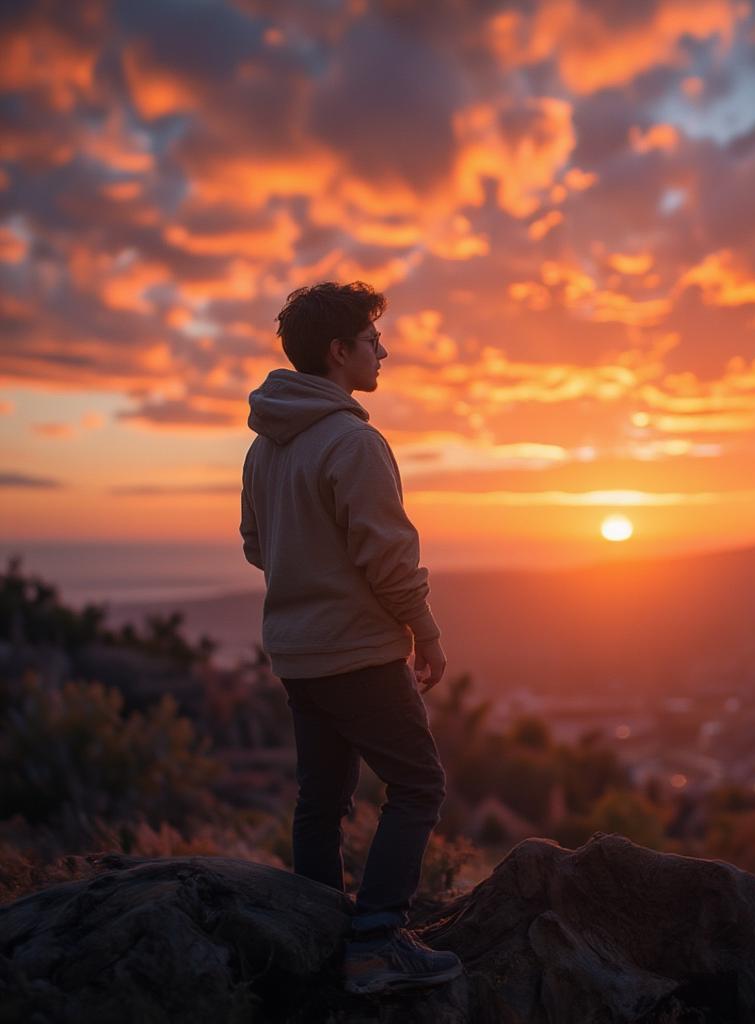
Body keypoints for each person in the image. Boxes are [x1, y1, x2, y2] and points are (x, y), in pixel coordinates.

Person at [239, 280, 463, 995]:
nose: (383, 351)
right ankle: (374, 945)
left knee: (322, 799)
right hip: (358, 651)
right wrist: (424, 632)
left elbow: (255, 545)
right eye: (372, 341)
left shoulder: (265, 447)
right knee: (419, 784)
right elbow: (389, 560)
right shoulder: (354, 442)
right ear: (339, 352)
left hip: (297, 653)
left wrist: (306, 568)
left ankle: (316, 937)